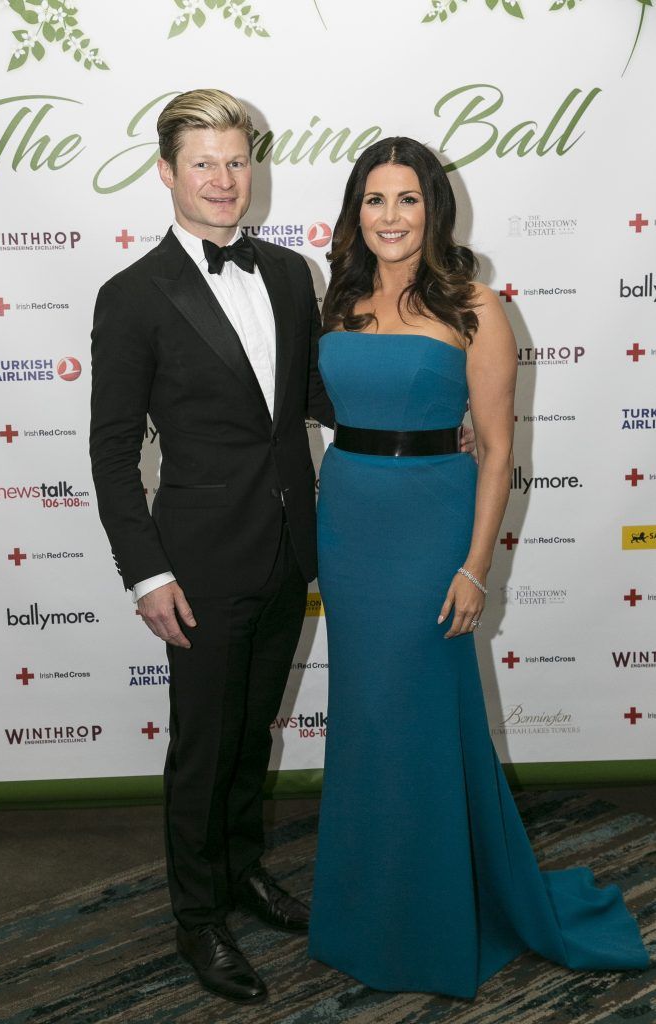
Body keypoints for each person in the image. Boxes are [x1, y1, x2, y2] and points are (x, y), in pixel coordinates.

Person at [308, 137, 649, 996]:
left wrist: (473, 568)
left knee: (418, 718)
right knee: (364, 722)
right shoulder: (337, 299)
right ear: (357, 209)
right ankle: (364, 911)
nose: (391, 217)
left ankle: (430, 920)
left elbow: (496, 452)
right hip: (348, 520)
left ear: (435, 209)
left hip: (431, 526)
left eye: (408, 200)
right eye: (376, 200)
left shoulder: (473, 304)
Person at [89, 88, 336, 1005]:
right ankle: (198, 919)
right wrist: (146, 572)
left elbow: (312, 398)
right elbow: (113, 452)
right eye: (204, 163)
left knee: (251, 733)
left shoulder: (287, 273)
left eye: (236, 161)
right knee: (203, 746)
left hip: (288, 545)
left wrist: (420, 418)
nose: (224, 180)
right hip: (194, 563)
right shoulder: (133, 295)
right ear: (167, 172)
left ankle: (240, 872)